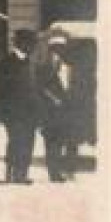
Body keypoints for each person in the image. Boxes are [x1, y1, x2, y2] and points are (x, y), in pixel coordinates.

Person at [0, 29, 40, 184]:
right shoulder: (6, 62)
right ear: (22, 43)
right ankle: (11, 174)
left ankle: (22, 174)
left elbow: (33, 86)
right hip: (12, 111)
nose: (33, 47)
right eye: (31, 44)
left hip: (30, 111)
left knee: (29, 141)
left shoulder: (30, 62)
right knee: (16, 140)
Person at [39, 32, 75, 182]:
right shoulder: (45, 67)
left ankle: (63, 171)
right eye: (55, 48)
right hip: (50, 111)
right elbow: (41, 87)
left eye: (61, 48)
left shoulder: (68, 67)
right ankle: (54, 173)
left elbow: (71, 86)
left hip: (66, 110)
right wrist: (53, 99)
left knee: (63, 141)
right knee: (51, 142)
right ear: (51, 49)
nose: (58, 51)